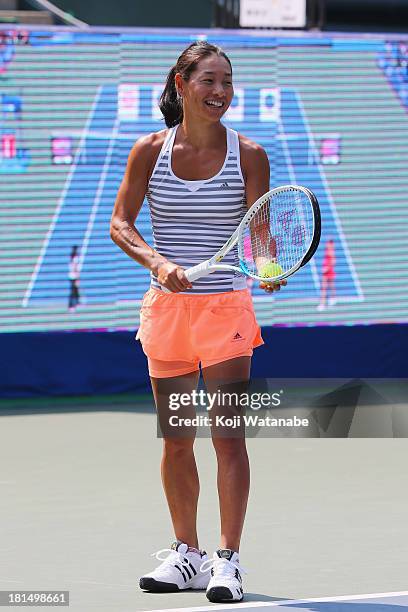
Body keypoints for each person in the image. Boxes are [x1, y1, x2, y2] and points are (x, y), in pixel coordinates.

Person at [110, 41, 286, 603]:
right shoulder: (149, 151)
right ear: (181, 84)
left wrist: (269, 266)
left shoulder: (250, 154)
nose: (220, 92)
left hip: (226, 311)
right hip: (167, 312)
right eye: (208, 80)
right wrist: (159, 263)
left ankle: (227, 563)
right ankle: (187, 554)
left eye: (227, 82)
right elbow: (121, 224)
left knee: (227, 439)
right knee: (176, 440)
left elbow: (259, 236)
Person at [317, 238, 336, 311]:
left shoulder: (331, 252)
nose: (327, 244)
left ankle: (322, 304)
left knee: (324, 288)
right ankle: (333, 298)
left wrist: (326, 269)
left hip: (328, 271)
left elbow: (333, 262)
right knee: (331, 286)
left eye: (328, 243)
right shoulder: (328, 251)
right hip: (328, 271)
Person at [68, 245, 80, 312]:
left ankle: (77, 303)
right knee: (73, 291)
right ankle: (71, 306)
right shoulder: (75, 258)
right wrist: (77, 276)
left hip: (71, 276)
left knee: (75, 291)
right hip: (73, 276)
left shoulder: (72, 257)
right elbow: (75, 268)